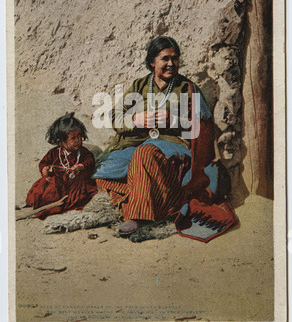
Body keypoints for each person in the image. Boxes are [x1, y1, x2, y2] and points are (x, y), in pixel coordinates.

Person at [93, 36, 216, 235]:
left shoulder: (187, 88)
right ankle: (163, 204)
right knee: (102, 172)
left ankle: (137, 215)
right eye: (165, 58)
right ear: (152, 61)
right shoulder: (139, 86)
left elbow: (203, 128)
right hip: (137, 143)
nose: (171, 64)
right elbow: (114, 116)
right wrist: (135, 120)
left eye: (174, 58)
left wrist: (174, 121)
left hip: (172, 147)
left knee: (145, 154)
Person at [25, 112, 98, 219]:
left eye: (79, 137)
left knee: (81, 193)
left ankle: (62, 205)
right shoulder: (54, 153)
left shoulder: (84, 153)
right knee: (45, 186)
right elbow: (43, 163)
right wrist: (45, 170)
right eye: (73, 139)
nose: (77, 141)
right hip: (58, 184)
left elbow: (90, 161)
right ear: (61, 141)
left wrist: (81, 166)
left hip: (75, 184)